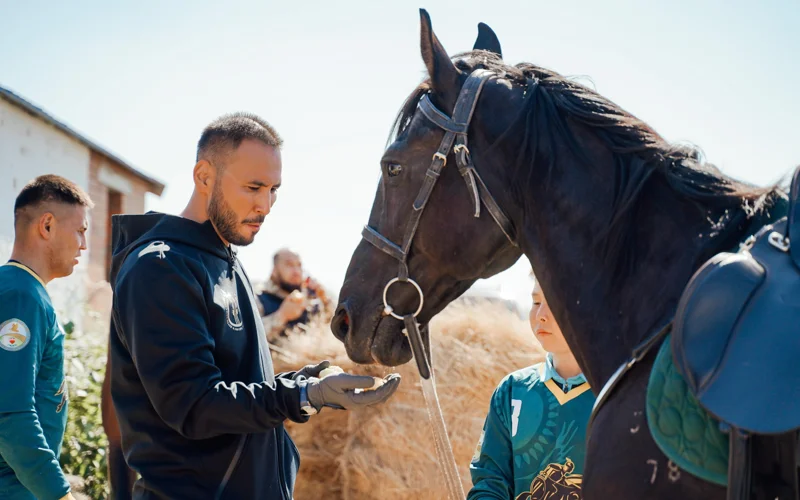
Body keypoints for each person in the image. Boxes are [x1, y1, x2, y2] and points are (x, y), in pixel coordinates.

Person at [108, 112, 401, 499]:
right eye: (253, 187)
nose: (266, 205)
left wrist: (304, 383)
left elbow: (235, 387)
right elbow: (193, 403)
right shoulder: (160, 268)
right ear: (204, 177)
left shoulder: (224, 259)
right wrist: (301, 397)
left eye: (274, 189)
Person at [0, 175, 93, 500]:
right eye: (80, 230)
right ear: (48, 225)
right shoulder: (22, 296)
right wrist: (59, 494)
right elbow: (10, 413)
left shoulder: (17, 289)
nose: (84, 244)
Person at [468, 280, 595, 500]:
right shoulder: (511, 391)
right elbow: (490, 481)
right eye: (536, 302)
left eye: (553, 302)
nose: (541, 315)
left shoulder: (619, 396)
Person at [257, 248, 334, 341]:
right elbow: (250, 339)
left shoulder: (312, 300)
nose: (296, 271)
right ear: (274, 271)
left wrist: (325, 301)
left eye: (299, 265)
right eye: (289, 265)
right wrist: (282, 316)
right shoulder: (259, 300)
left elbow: (337, 329)